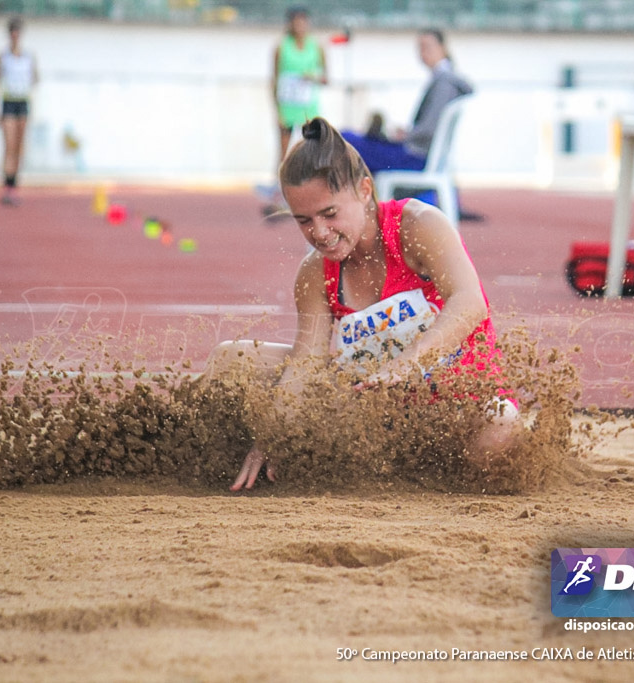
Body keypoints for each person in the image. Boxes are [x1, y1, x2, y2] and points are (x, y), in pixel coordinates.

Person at [203, 117, 518, 490]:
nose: (319, 233)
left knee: (500, 421)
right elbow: (306, 363)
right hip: (370, 410)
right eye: (304, 221)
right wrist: (274, 432)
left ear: (364, 190)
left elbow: (470, 303)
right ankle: (229, 468)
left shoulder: (417, 227)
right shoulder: (315, 273)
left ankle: (427, 480)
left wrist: (407, 364)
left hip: (455, 405)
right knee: (230, 361)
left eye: (330, 214)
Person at [342, 29, 473, 175]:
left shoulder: (445, 83)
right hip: (418, 153)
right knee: (352, 141)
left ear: (443, 48)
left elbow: (428, 130)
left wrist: (404, 136)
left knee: (345, 141)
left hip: (415, 157)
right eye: (419, 48)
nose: (423, 53)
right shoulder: (445, 80)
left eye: (427, 46)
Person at [264, 6, 328, 216]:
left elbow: (326, 78)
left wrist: (313, 77)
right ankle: (279, 196)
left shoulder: (316, 47)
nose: (300, 26)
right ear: (290, 23)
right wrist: (277, 111)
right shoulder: (281, 48)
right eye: (296, 21)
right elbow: (274, 80)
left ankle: (310, 195)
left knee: (311, 151)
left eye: (303, 21)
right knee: (283, 155)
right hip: (287, 107)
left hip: (308, 107)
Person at [0, 16, 38, 207]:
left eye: (18, 32)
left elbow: (35, 79)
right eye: (12, 32)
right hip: (8, 102)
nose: (15, 36)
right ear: (9, 35)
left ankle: (15, 185)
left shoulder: (29, 57)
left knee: (19, 148)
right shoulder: (2, 57)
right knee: (9, 146)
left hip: (23, 102)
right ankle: (7, 187)